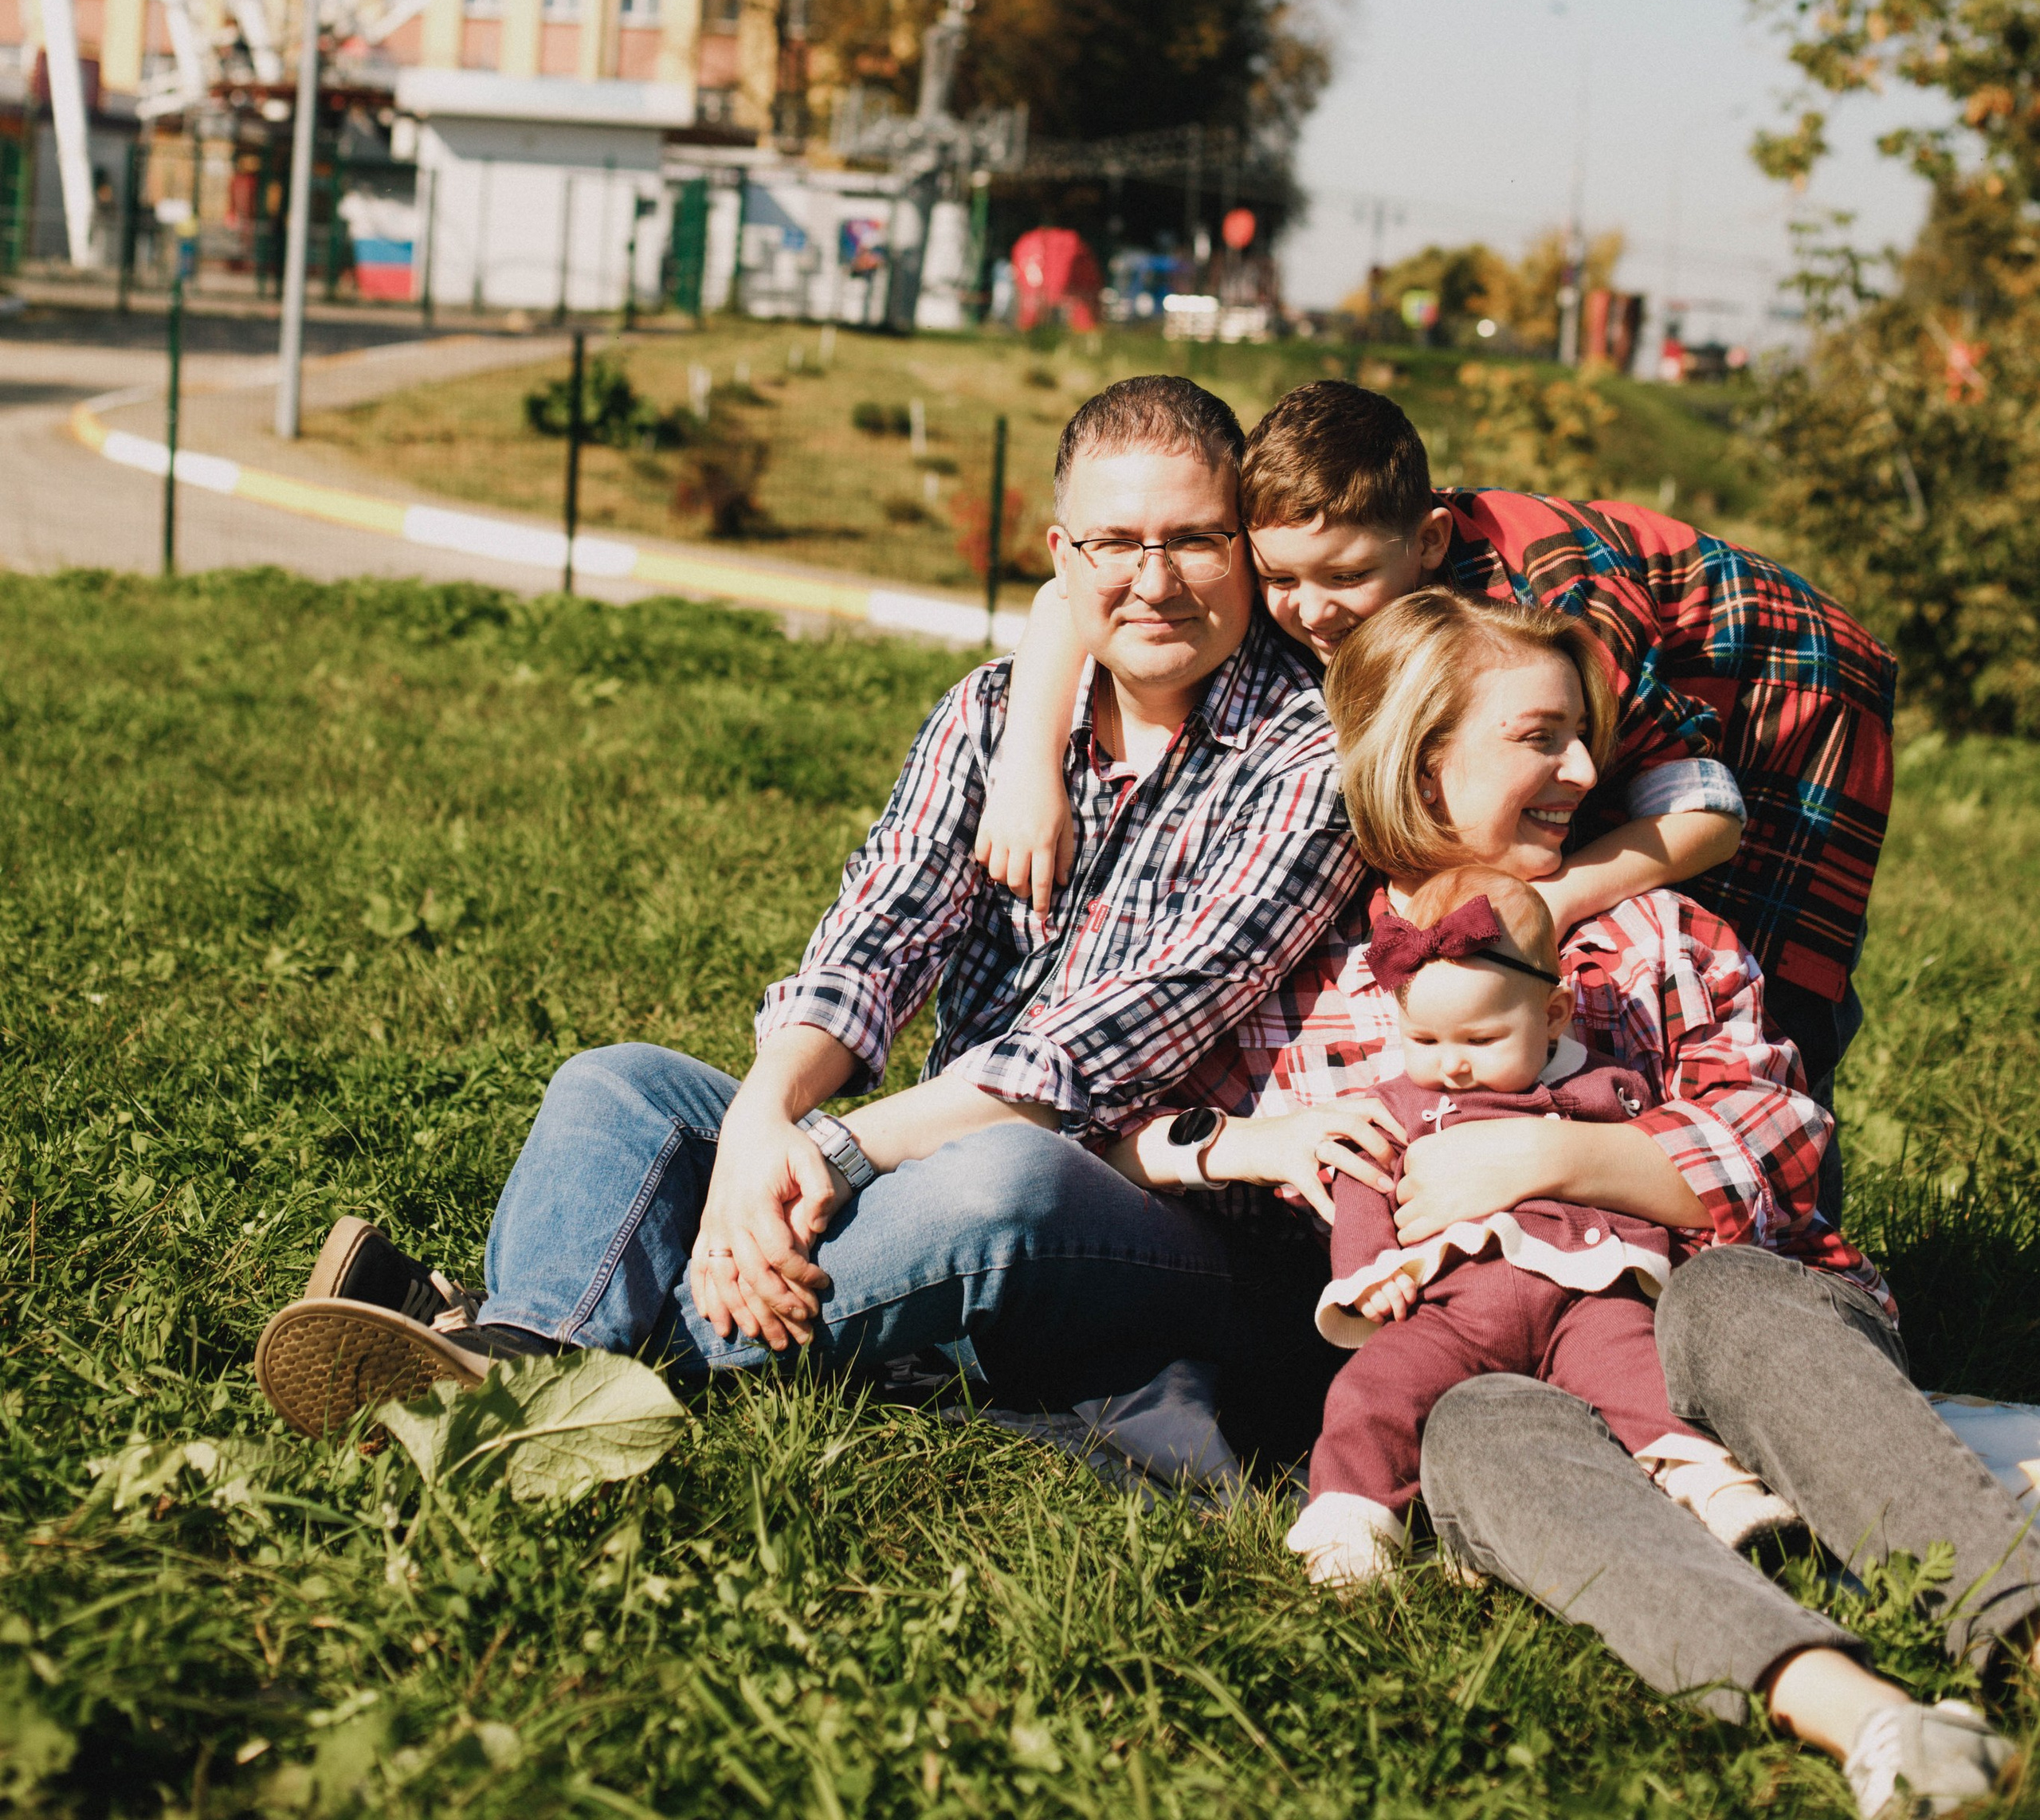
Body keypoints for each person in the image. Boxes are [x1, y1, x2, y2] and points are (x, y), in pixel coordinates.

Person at [253, 375, 1377, 1450]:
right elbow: (873, 940)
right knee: (619, 1084)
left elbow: (1091, 1058)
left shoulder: (1314, 762)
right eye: (1116, 545)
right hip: (929, 1145)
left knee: (1005, 1184)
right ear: (1061, 557)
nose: (1156, 579)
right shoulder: (994, 712)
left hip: (1160, 1204)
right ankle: (521, 1350)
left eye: (1192, 540)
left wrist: (823, 1151)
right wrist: (761, 1119)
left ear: (1244, 544)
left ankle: (514, 1354)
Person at [1108, 589, 2027, 1820]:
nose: (1589, 769)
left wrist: (1550, 1160)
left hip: (1715, 1327)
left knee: (1732, 1296)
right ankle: (1865, 1719)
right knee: (1482, 1428)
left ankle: (2015, 1624)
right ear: (1427, 759)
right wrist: (1235, 1145)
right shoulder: (1308, 969)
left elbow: (1785, 1147)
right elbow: (1105, 1124)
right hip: (1497, 1372)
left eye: (1582, 735)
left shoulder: (1655, 934)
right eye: (1541, 737)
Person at [976, 379, 1893, 1110]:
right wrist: (1028, 767)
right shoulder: (1303, 545)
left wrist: (1547, 900)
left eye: (1346, 577)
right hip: (1609, 685)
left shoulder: (1546, 623)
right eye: (1280, 579)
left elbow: (1707, 808)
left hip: (1781, 692)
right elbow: (1071, 590)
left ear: (1427, 545)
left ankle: (1766, 1163)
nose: (1310, 608)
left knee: (1754, 971)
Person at [1290, 865, 1792, 1591]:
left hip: (1589, 1297)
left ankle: (1717, 1493)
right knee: (1373, 1389)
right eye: (1425, 1039)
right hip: (1451, 1308)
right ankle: (1353, 1522)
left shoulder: (1606, 1088)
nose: (1453, 1065)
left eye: (1483, 1038)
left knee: (1644, 1379)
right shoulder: (1398, 1104)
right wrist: (1369, 1273)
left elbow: (1648, 1167)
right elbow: (1362, 1186)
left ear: (1554, 1015)